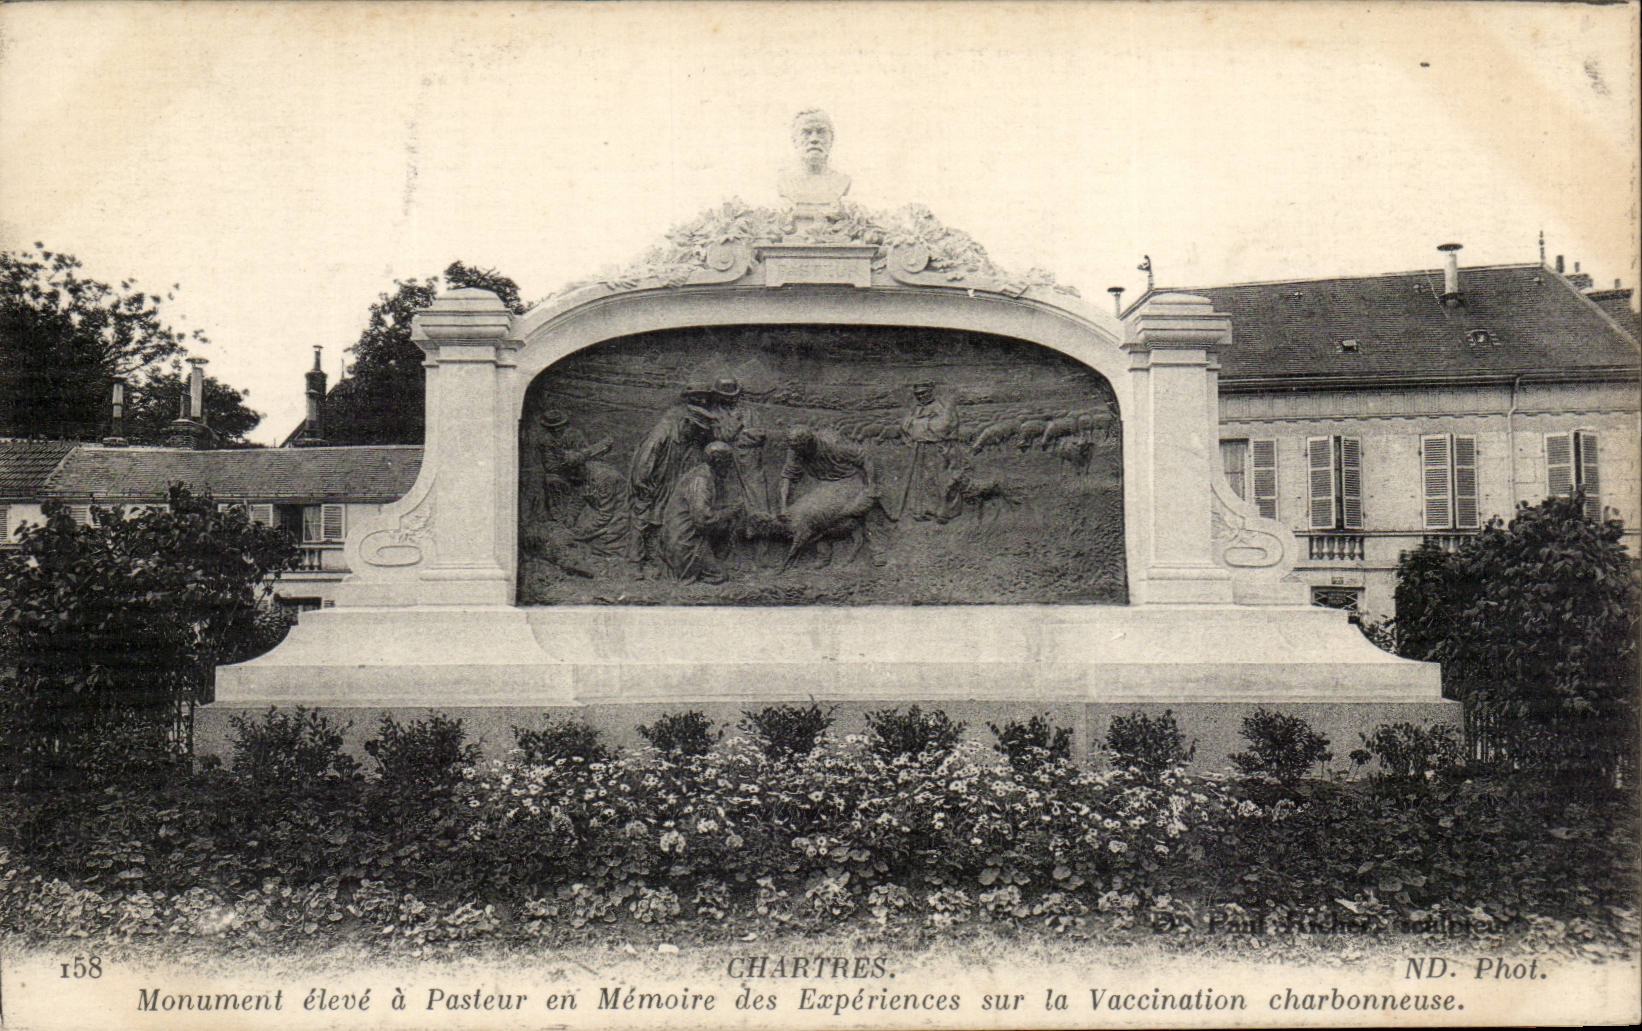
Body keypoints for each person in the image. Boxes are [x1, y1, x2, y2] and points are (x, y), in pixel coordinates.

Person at [628, 384, 717, 578]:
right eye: (696, 428)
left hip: (670, 483)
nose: (699, 433)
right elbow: (646, 457)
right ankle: (635, 562)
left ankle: (657, 558)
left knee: (662, 519)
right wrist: (641, 482)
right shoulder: (664, 432)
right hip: (651, 482)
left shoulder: (691, 439)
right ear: (686, 423)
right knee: (642, 518)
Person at [661, 442, 743, 584]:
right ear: (718, 461)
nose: (730, 466)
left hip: (687, 537)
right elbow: (702, 519)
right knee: (719, 576)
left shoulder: (705, 474)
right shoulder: (701, 480)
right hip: (684, 542)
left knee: (727, 526)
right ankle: (690, 569)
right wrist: (729, 512)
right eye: (728, 461)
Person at [897, 382, 962, 521]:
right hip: (921, 449)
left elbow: (944, 425)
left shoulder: (940, 407)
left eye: (923, 393)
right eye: (917, 394)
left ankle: (944, 511)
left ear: (930, 392)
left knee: (941, 480)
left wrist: (920, 424)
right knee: (922, 480)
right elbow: (905, 425)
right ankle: (924, 510)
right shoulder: (916, 409)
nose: (920, 397)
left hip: (938, 449)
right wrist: (920, 425)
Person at [779, 423, 878, 513]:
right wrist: (783, 506)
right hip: (821, 482)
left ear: (808, 444)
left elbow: (865, 458)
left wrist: (872, 485)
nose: (796, 452)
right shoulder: (796, 450)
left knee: (840, 511)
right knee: (800, 510)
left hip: (848, 478)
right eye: (794, 448)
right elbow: (788, 476)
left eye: (799, 448)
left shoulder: (833, 445)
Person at [708, 377, 769, 513]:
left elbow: (760, 435)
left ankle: (759, 520)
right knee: (729, 493)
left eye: (733, 395)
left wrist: (740, 439)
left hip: (750, 458)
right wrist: (737, 424)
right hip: (727, 461)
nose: (730, 399)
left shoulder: (750, 412)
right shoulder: (713, 414)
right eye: (725, 396)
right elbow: (721, 436)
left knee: (756, 491)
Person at [777, 109, 851, 217]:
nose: (814, 139)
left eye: (821, 132)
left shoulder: (842, 181)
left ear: (831, 139)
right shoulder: (784, 180)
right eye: (806, 132)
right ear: (795, 140)